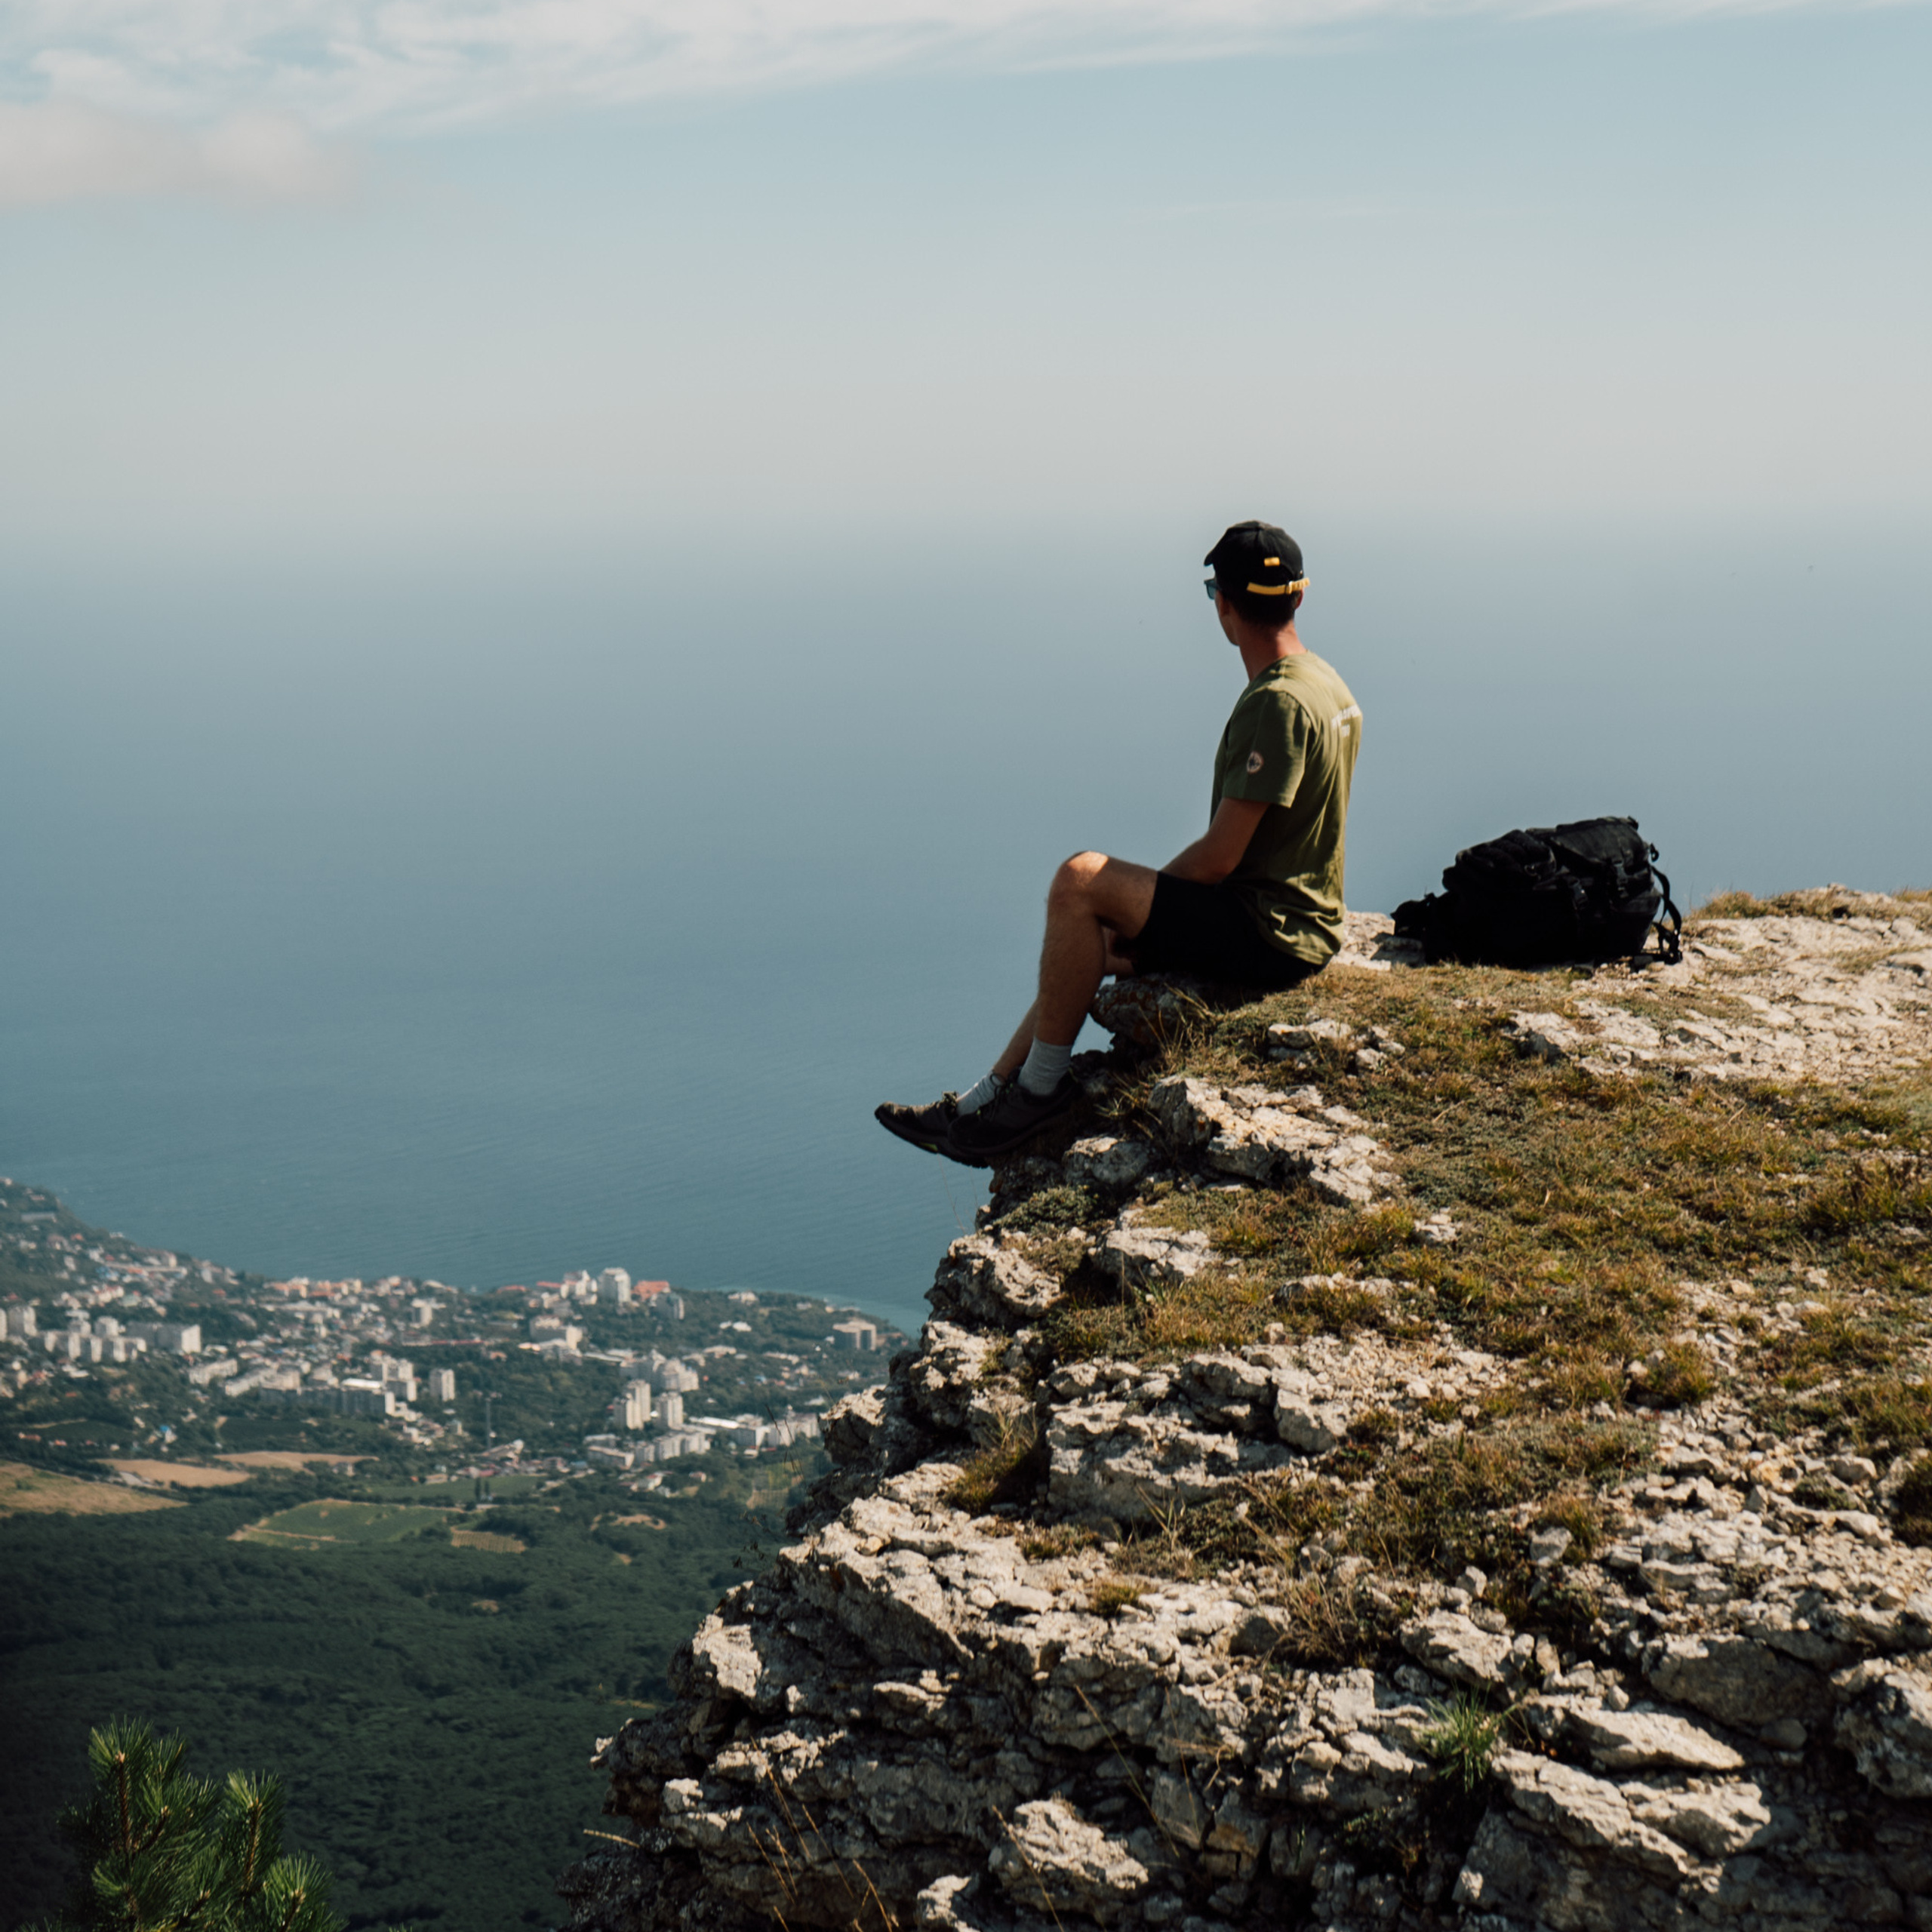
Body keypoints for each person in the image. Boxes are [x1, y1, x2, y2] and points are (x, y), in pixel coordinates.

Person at [876, 518, 1362, 1166]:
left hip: (1268, 932)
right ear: (1297, 598)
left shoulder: (1277, 703)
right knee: (1086, 941)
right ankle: (982, 1099)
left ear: (1223, 603)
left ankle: (1037, 1095)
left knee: (1081, 881)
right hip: (1303, 922)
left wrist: (1144, 908)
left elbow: (1220, 858)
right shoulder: (1326, 684)